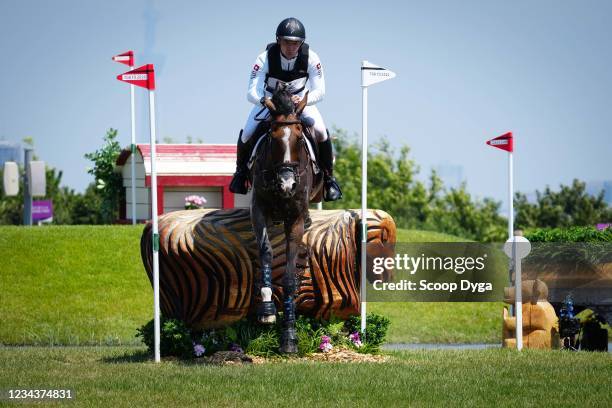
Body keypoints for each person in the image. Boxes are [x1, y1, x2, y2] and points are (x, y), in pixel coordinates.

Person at [229, 17, 342, 201]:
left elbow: (320, 91)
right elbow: (251, 92)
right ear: (279, 41)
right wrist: (265, 101)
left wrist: (305, 99)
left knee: (321, 131)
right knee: (247, 133)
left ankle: (329, 179)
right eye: (287, 42)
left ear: (301, 43)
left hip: (299, 102)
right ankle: (240, 174)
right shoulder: (264, 58)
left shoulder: (312, 58)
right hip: (272, 102)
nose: (291, 48)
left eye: (296, 43)